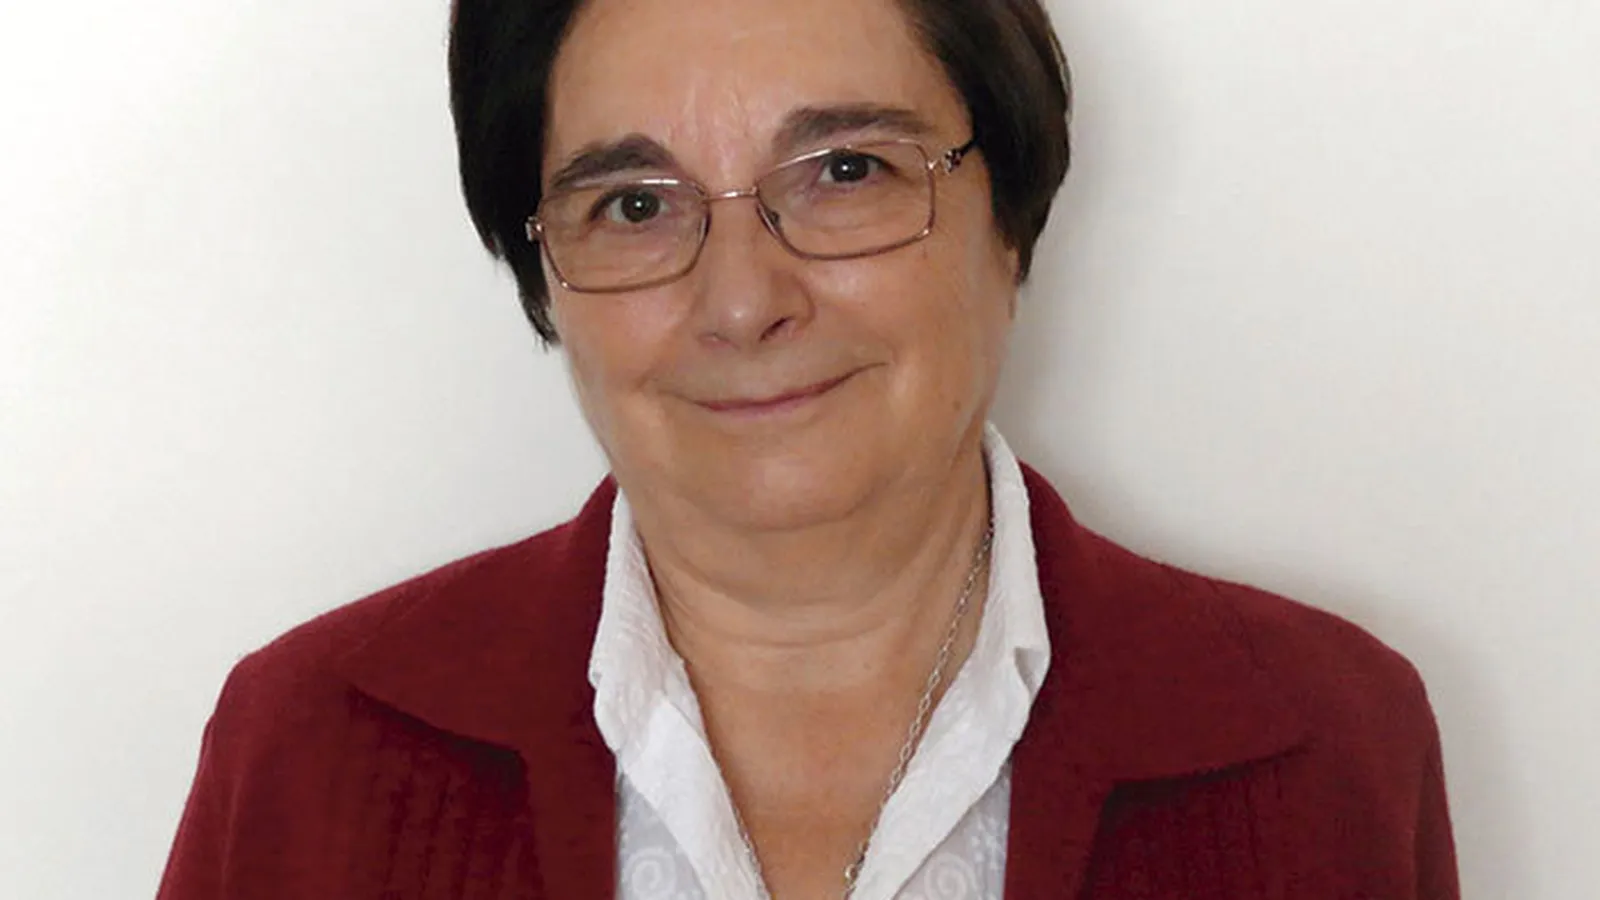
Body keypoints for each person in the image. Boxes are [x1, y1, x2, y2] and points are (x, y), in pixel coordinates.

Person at [157, 0, 1460, 896]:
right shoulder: (307, 748)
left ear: (1009, 220)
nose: (742, 303)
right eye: (634, 203)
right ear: (544, 270)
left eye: (845, 172)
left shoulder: (1328, 743)